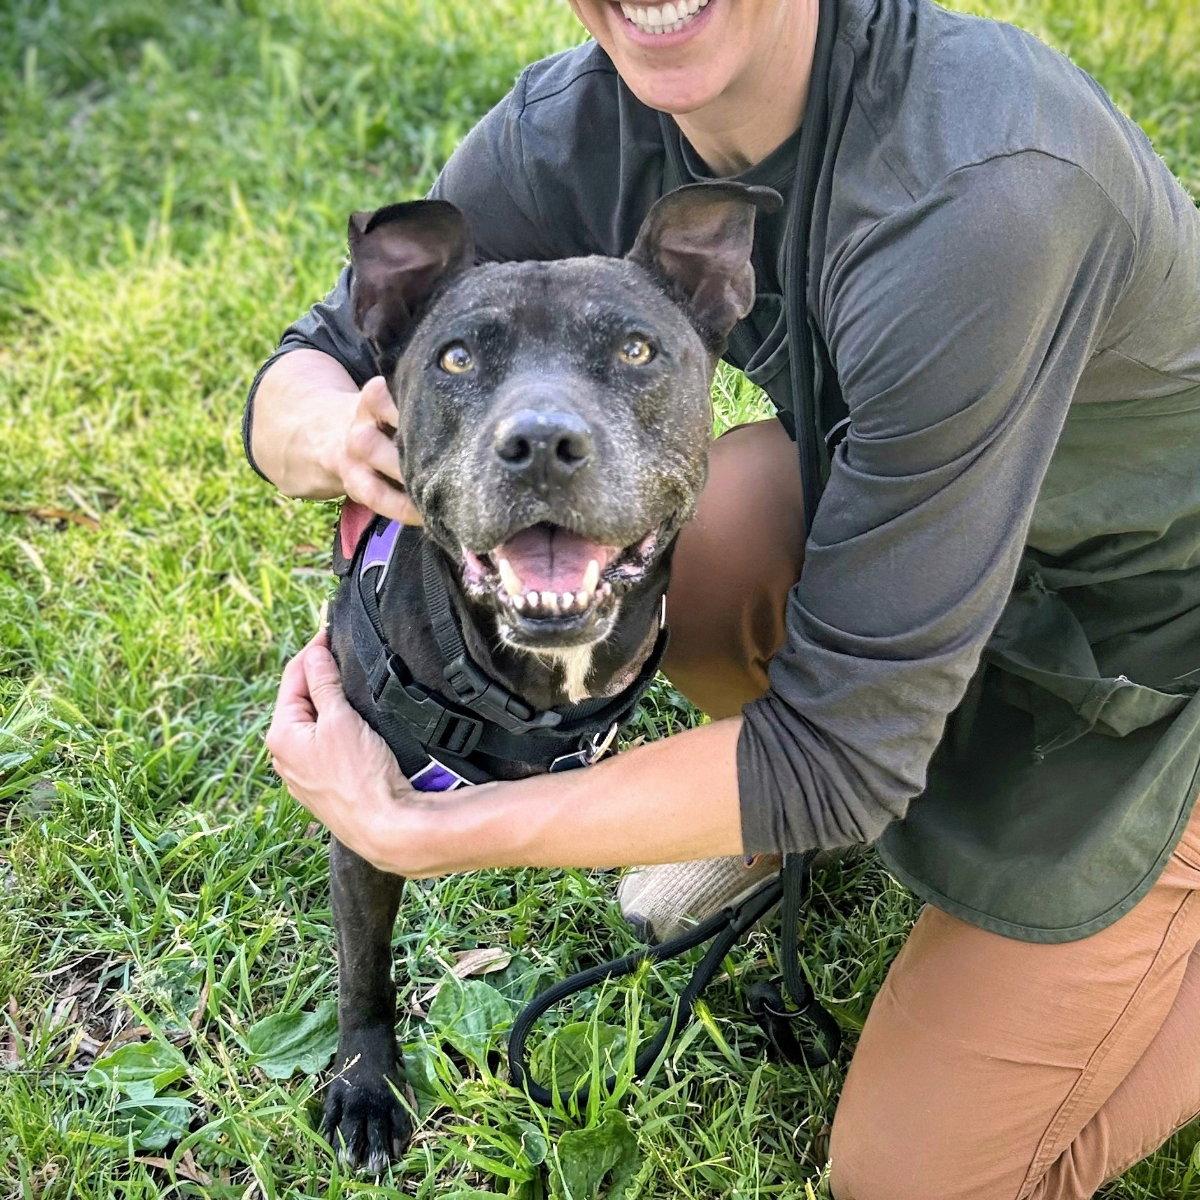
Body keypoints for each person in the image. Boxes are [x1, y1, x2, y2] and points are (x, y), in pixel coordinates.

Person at [248, 0, 1200, 1195]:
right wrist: (334, 434)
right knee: (708, 560)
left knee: (916, 1180)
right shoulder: (582, 126)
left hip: (1160, 635)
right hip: (944, 536)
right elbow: (324, 349)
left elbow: (842, 760)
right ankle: (761, 815)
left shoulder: (981, 196)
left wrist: (418, 827)